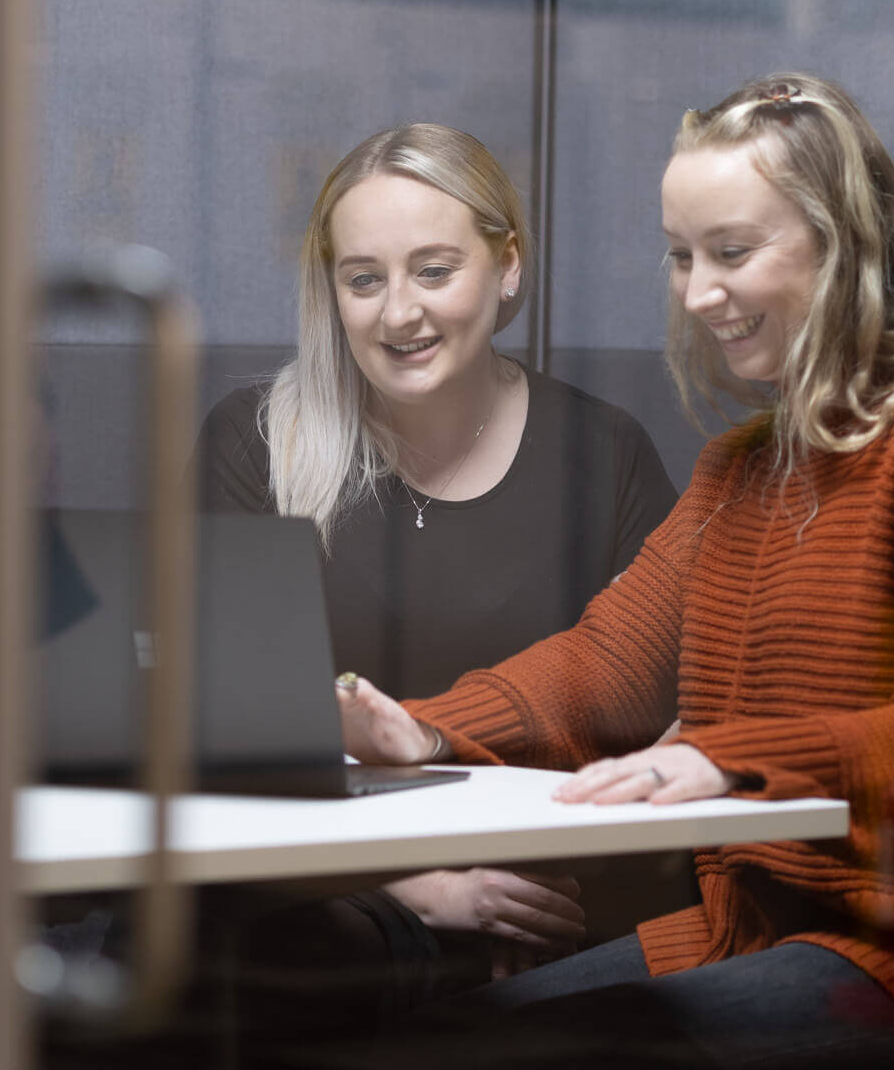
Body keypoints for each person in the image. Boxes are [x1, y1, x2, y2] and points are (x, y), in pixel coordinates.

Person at [331, 73, 894, 1069]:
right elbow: (605, 667)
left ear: (840, 241)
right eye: (682, 257)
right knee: (427, 1042)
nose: (697, 292)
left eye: (731, 252)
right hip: (749, 939)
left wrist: (726, 757)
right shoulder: (744, 466)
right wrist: (424, 728)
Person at [194, 124, 682, 1029]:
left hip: (547, 891)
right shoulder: (256, 441)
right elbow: (219, 731)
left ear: (507, 267)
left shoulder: (603, 454)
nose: (398, 314)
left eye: (433, 270)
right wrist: (420, 880)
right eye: (364, 278)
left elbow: (653, 716)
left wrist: (521, 876)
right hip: (310, 894)